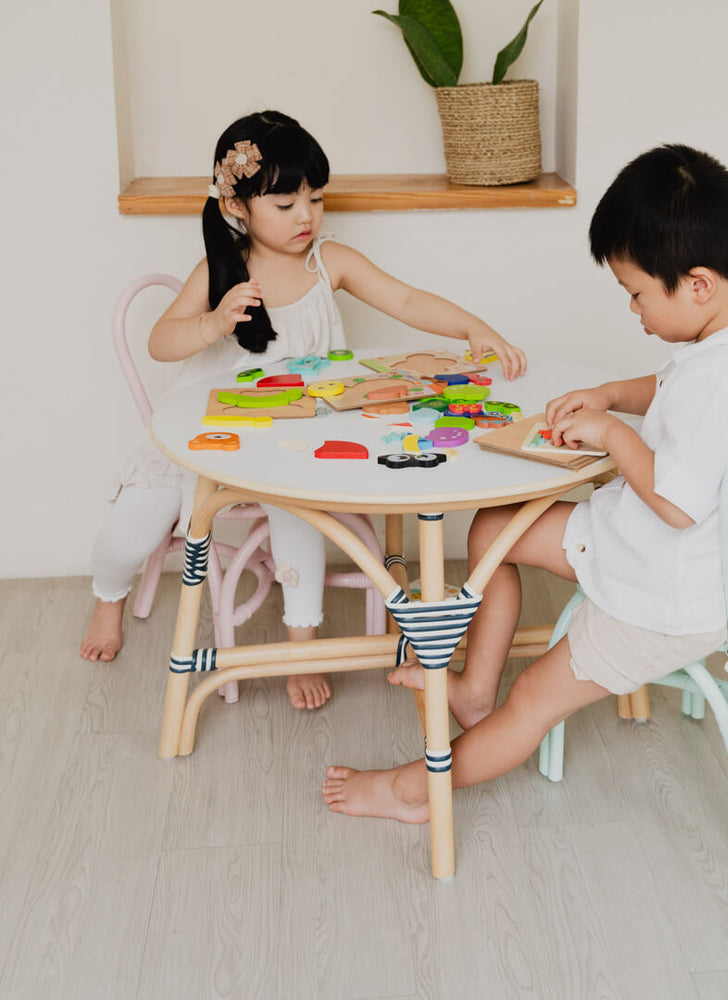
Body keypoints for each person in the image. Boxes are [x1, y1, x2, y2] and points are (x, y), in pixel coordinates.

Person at [321, 143, 728, 821]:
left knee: (533, 703)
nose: (634, 310)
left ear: (696, 284)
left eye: (635, 293)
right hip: (639, 545)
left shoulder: (726, 381)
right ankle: (472, 692)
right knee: (494, 530)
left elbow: (676, 504)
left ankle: (412, 793)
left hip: (670, 592)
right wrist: (608, 395)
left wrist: (612, 435)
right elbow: (665, 386)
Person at [80, 109, 526, 713]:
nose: (306, 217)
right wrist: (213, 321)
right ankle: (108, 596)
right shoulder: (222, 271)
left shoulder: (328, 262)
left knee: (300, 522)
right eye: (285, 204)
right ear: (237, 208)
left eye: (314, 199)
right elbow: (160, 343)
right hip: (207, 440)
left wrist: (475, 326)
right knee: (127, 532)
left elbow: (404, 298)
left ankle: (301, 646)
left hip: (288, 442)